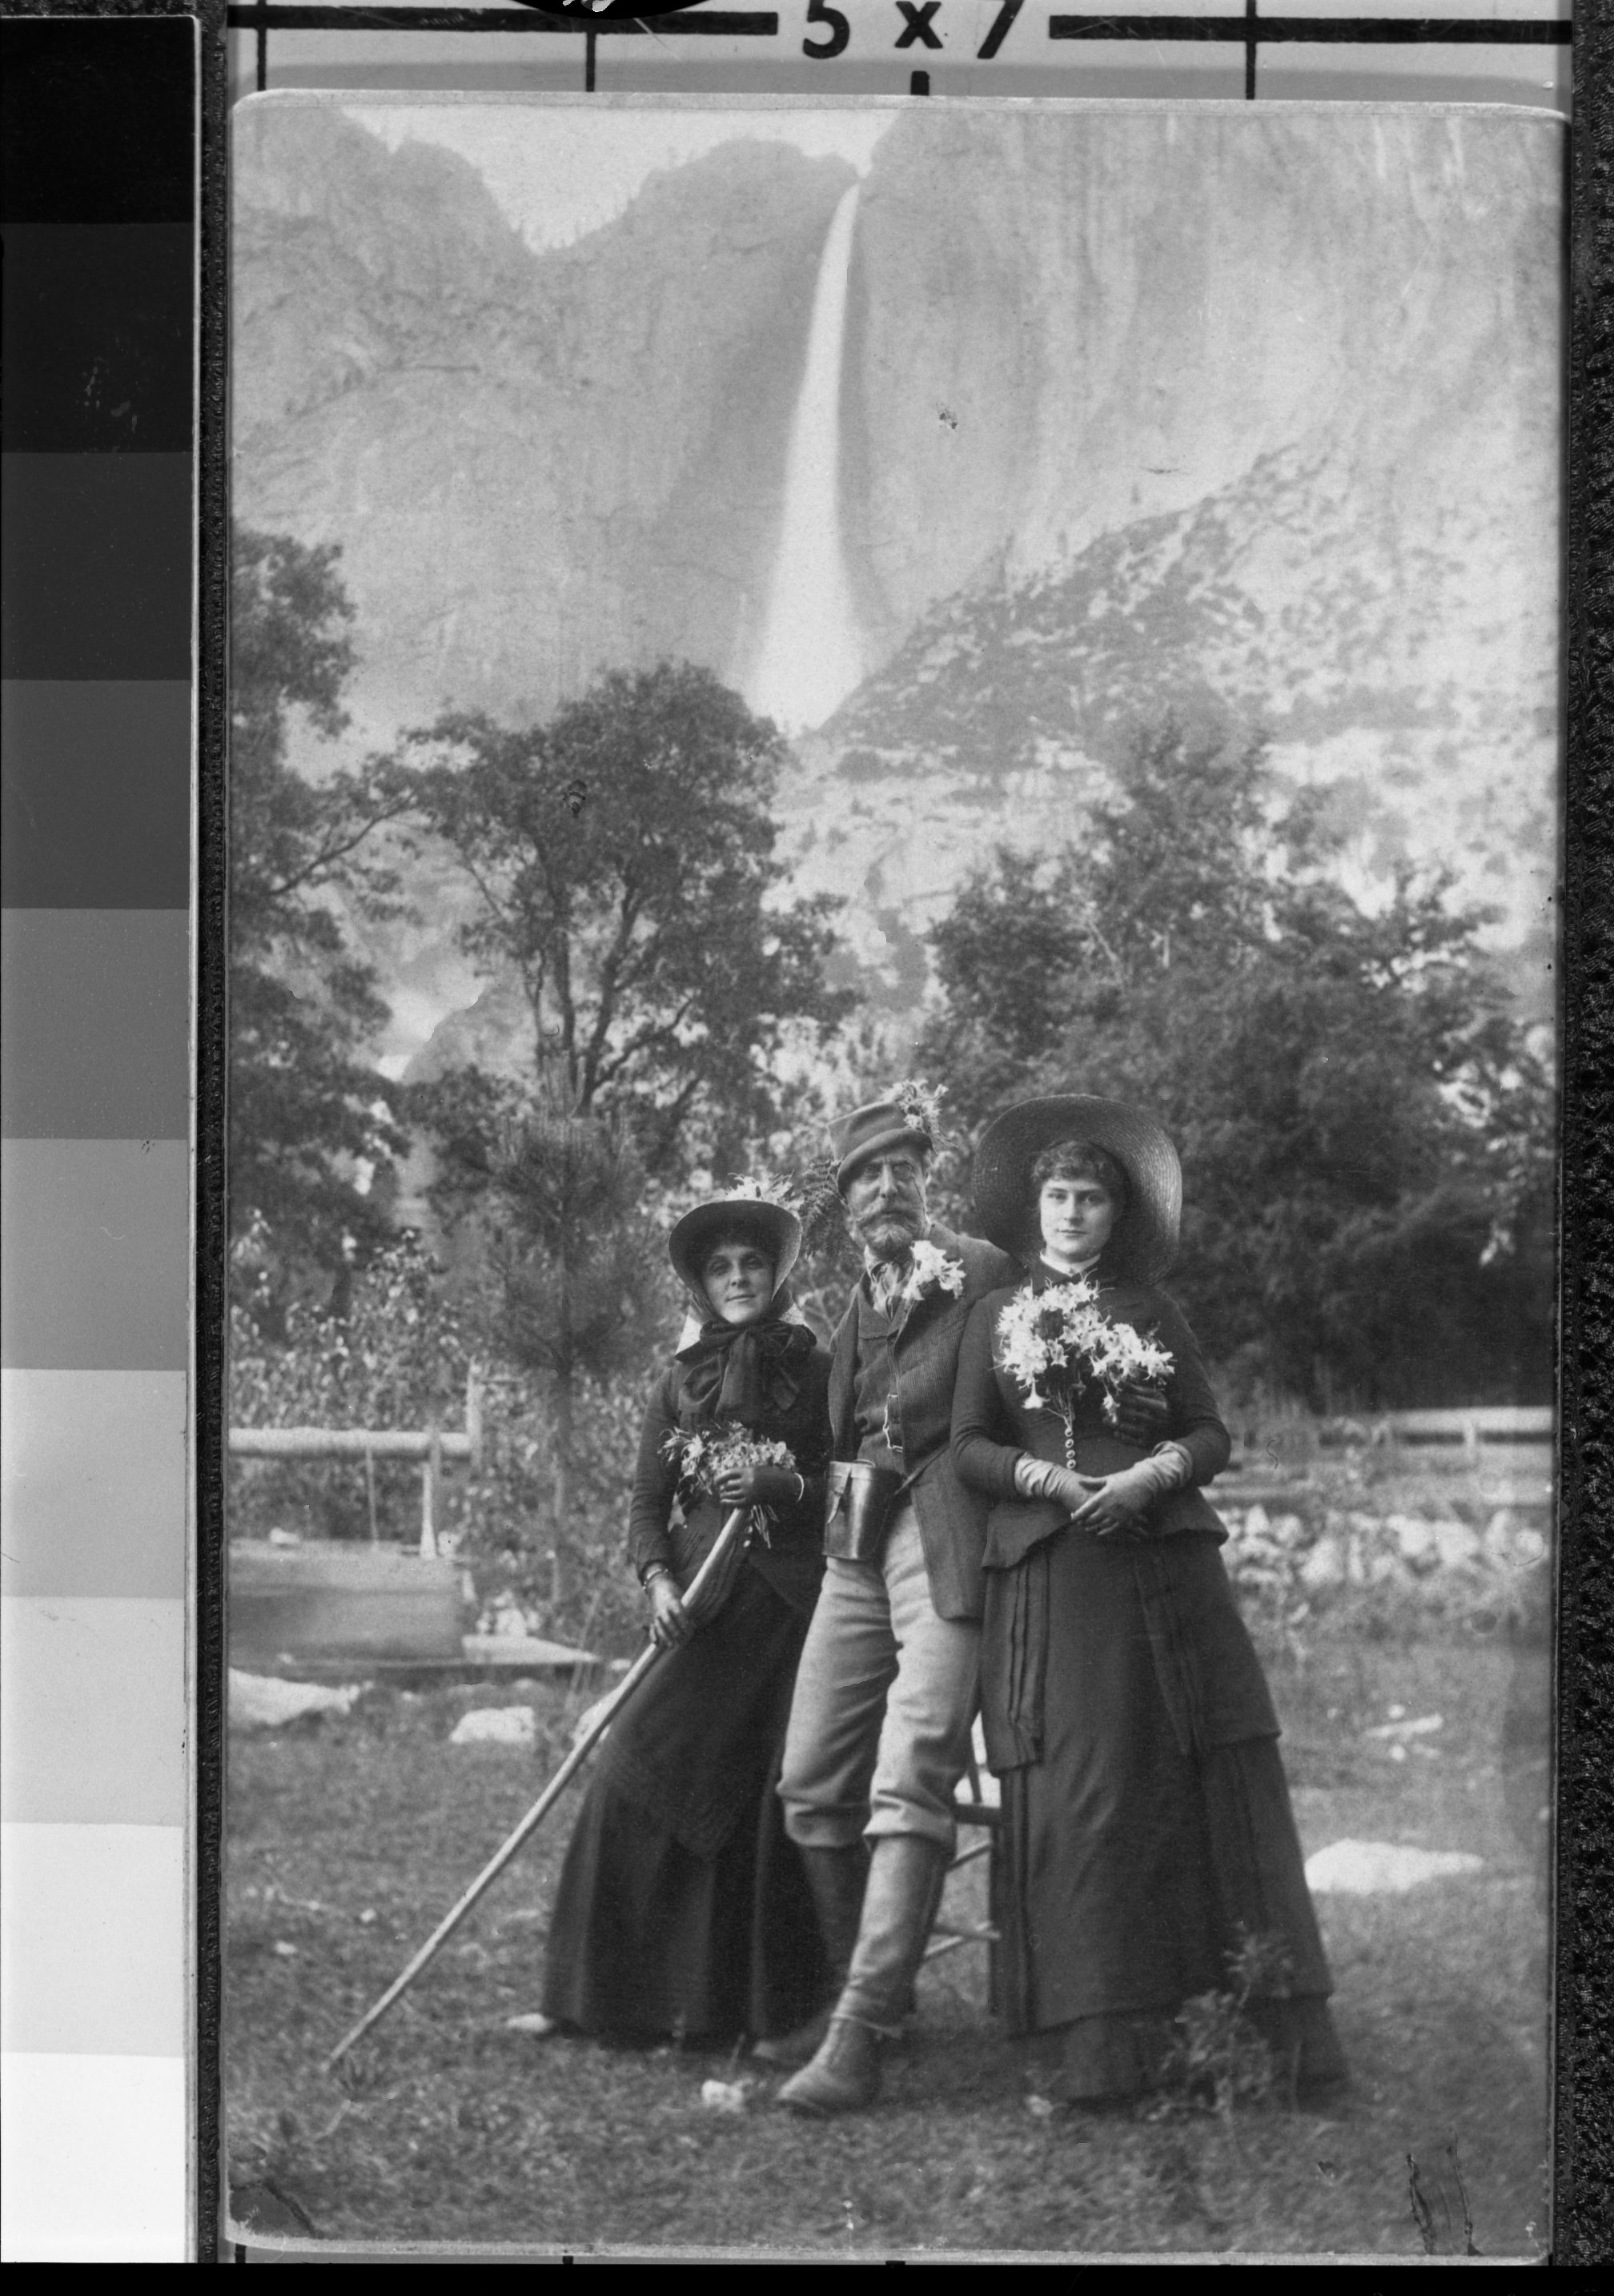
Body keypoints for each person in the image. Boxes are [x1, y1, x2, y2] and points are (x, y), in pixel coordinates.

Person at [770, 1085, 1166, 2116]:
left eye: (903, 1167)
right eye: (867, 1174)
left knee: (912, 1772)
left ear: (925, 1178)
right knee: (810, 1777)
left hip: (950, 1542)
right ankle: (868, 2001)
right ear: (846, 1199)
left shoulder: (987, 1270)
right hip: (857, 1547)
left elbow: (1057, 1376)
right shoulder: (850, 1310)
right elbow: (836, 1440)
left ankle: (857, 2033)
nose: (887, 1187)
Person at [950, 1095, 1347, 2110]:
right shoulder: (993, 1317)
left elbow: (1214, 1433)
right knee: (1088, 1786)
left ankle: (1241, 2032)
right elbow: (969, 1448)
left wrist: (1152, 1475)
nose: (1073, 1213)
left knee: (1194, 1769)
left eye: (1091, 1198)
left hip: (1162, 1567)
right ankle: (1096, 2054)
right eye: (1059, 1195)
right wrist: (1054, 1485)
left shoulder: (1152, 1314)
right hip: (1053, 1575)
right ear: (1033, 1207)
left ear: (1116, 1215)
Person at [538, 1186, 833, 2048]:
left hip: (786, 1613)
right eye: (721, 1267)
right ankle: (593, 1999)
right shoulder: (677, 1381)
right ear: (701, 1284)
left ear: (777, 1273)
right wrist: (657, 1583)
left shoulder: (817, 1369)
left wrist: (781, 1486)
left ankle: (740, 2011)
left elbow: (850, 1485)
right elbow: (645, 1502)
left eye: (752, 1263)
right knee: (630, 1767)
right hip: (697, 1612)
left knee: (758, 1804)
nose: (738, 1278)